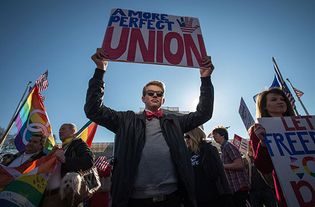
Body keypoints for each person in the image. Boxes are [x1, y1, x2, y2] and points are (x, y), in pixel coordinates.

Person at [85, 48, 215, 207]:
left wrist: (205, 78)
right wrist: (100, 71)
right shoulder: (126, 120)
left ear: (163, 100)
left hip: (172, 198)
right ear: (143, 98)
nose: (155, 95)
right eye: (150, 93)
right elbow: (94, 110)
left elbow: (204, 113)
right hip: (135, 200)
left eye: (159, 94)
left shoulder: (175, 122)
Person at [248, 87, 295, 207]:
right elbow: (263, 167)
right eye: (274, 100)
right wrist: (263, 143)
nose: (280, 101)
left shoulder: (302, 124)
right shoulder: (257, 130)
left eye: (282, 99)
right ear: (264, 106)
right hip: (288, 185)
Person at [41, 123, 94, 207]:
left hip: (68, 195)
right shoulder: (60, 148)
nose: (60, 131)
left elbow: (88, 161)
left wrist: (65, 159)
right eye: (59, 130)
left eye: (63, 129)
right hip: (51, 195)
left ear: (73, 131)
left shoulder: (78, 143)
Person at [184, 127, 232, 207]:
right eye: (185, 137)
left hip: (213, 197)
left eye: (187, 136)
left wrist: (227, 194)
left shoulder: (209, 149)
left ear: (194, 136)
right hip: (196, 199)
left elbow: (221, 173)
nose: (185, 139)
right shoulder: (186, 154)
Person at [211, 126, 250, 207]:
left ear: (222, 135)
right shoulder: (224, 148)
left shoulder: (228, 146)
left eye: (215, 134)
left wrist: (221, 166)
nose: (213, 136)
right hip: (234, 188)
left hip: (239, 186)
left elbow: (239, 164)